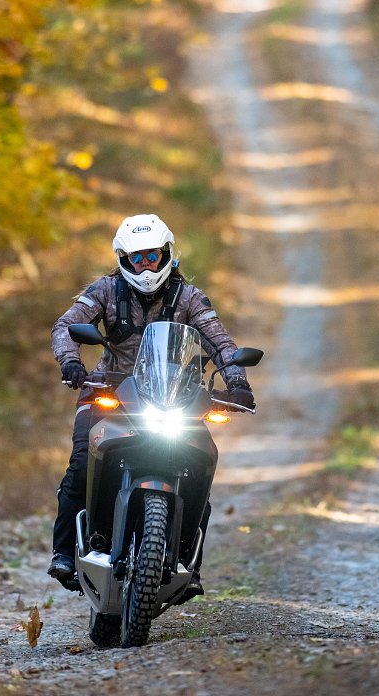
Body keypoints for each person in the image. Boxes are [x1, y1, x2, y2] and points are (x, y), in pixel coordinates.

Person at [47, 212, 256, 600]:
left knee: (201, 464)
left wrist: (238, 382)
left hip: (174, 396)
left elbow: (220, 343)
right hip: (109, 391)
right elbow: (65, 325)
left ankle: (188, 563)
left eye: (153, 257)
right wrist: (71, 362)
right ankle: (63, 551)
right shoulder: (105, 290)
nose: (146, 266)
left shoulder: (189, 297)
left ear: (167, 255)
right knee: (80, 462)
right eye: (137, 258)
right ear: (124, 259)